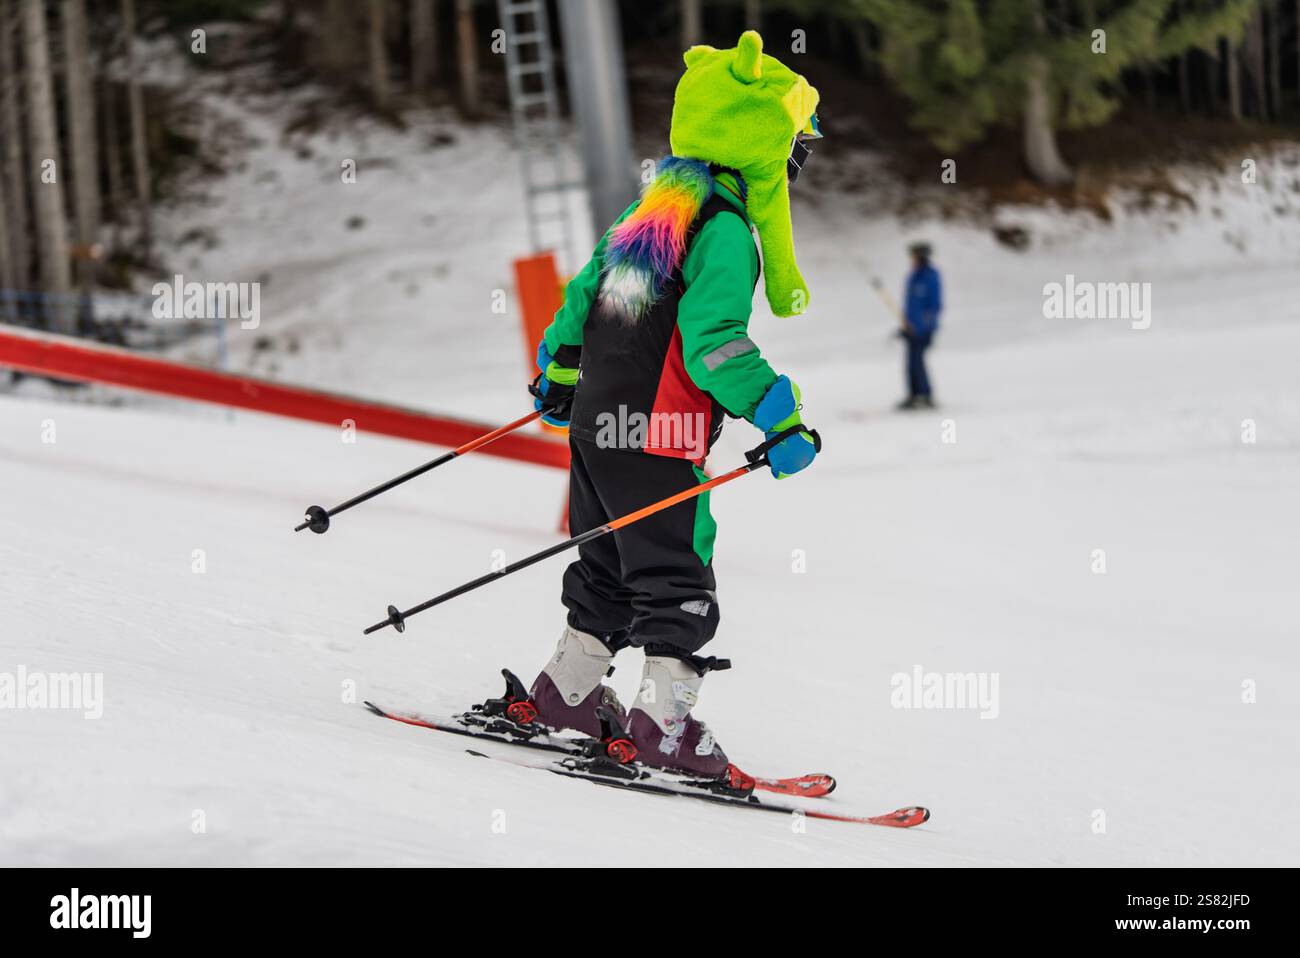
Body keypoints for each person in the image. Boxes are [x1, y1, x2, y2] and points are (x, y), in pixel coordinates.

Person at [520, 31, 820, 785]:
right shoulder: (724, 231)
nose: (799, 167)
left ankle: (569, 695)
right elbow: (712, 340)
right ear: (764, 148)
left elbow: (583, 298)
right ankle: (663, 728)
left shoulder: (650, 211)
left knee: (611, 562)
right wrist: (777, 413)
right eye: (797, 150)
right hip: (660, 433)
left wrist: (559, 373)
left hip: (596, 427)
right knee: (677, 576)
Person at [898, 242, 942, 410]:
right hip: (910, 328)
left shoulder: (931, 277)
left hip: (924, 330)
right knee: (910, 362)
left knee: (917, 361)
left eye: (914, 256)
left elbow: (934, 305)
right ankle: (914, 394)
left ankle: (925, 394)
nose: (912, 259)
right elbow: (910, 305)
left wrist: (923, 326)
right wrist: (905, 324)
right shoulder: (913, 276)